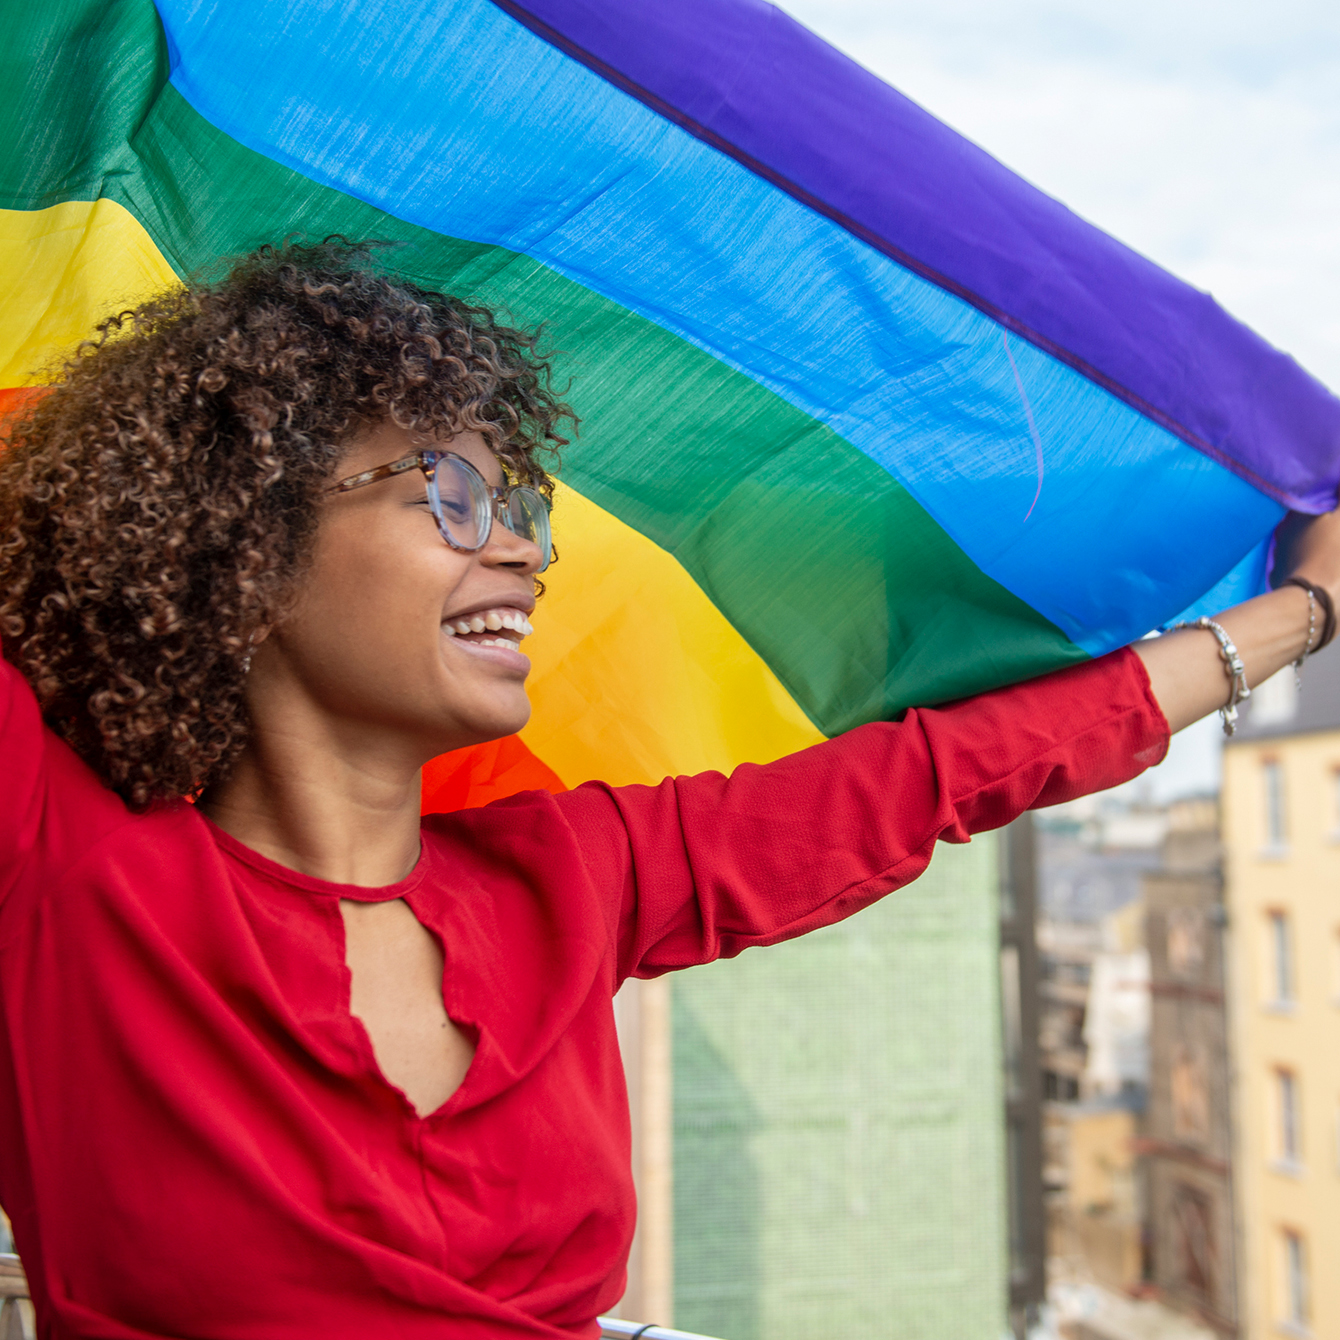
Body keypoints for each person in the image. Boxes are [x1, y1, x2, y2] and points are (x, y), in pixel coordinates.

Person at [0, 241, 1335, 1340]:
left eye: (524, 506)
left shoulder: (571, 876)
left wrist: (1307, 609)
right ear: (250, 542)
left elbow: (932, 778)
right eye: (454, 495)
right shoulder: (60, 869)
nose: (524, 556)